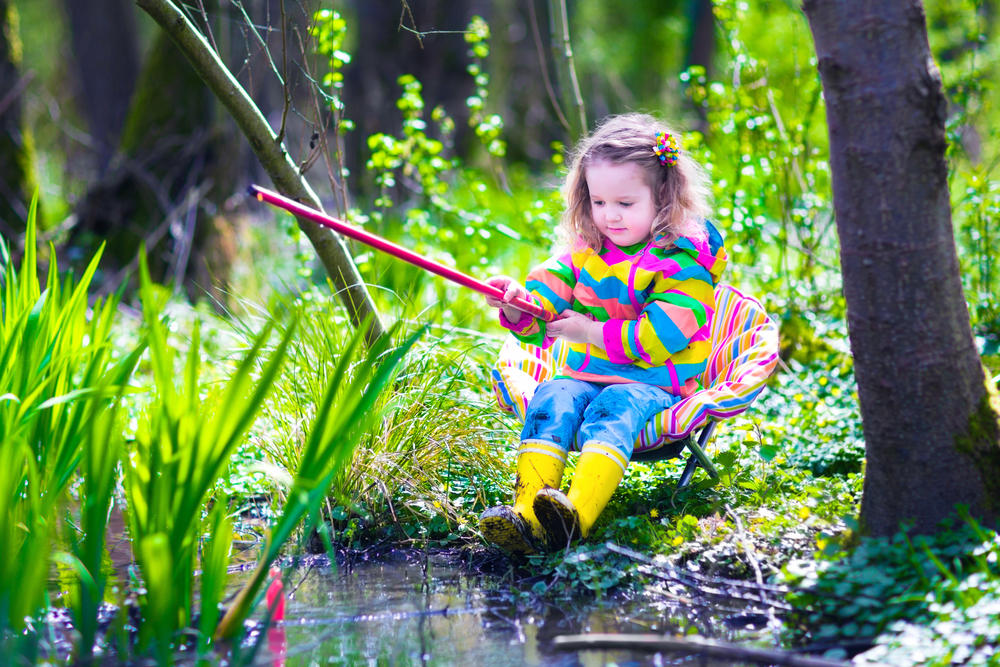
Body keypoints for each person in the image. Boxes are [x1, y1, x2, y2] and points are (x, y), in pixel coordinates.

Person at [479, 113, 727, 554]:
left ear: (664, 199)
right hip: (585, 376)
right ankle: (528, 518)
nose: (609, 216)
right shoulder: (586, 254)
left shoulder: (683, 264)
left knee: (614, 404)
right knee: (549, 397)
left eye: (625, 204)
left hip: (654, 382)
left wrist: (590, 332)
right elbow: (543, 310)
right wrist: (516, 301)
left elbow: (662, 336)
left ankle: (576, 517)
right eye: (598, 202)